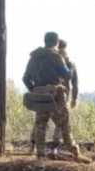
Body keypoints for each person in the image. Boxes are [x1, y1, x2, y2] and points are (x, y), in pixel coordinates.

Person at [23, 31, 79, 159]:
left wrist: (35, 90)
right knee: (64, 124)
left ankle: (40, 154)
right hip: (56, 95)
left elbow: (25, 78)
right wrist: (72, 68)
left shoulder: (34, 57)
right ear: (56, 42)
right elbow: (67, 75)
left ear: (45, 41)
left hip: (39, 96)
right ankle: (74, 152)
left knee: (40, 124)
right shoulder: (56, 56)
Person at [52, 40, 79, 149]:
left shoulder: (51, 61)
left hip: (50, 92)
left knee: (41, 119)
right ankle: (55, 145)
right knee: (62, 120)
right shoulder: (70, 63)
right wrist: (74, 99)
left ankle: (33, 144)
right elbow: (75, 83)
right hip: (63, 95)